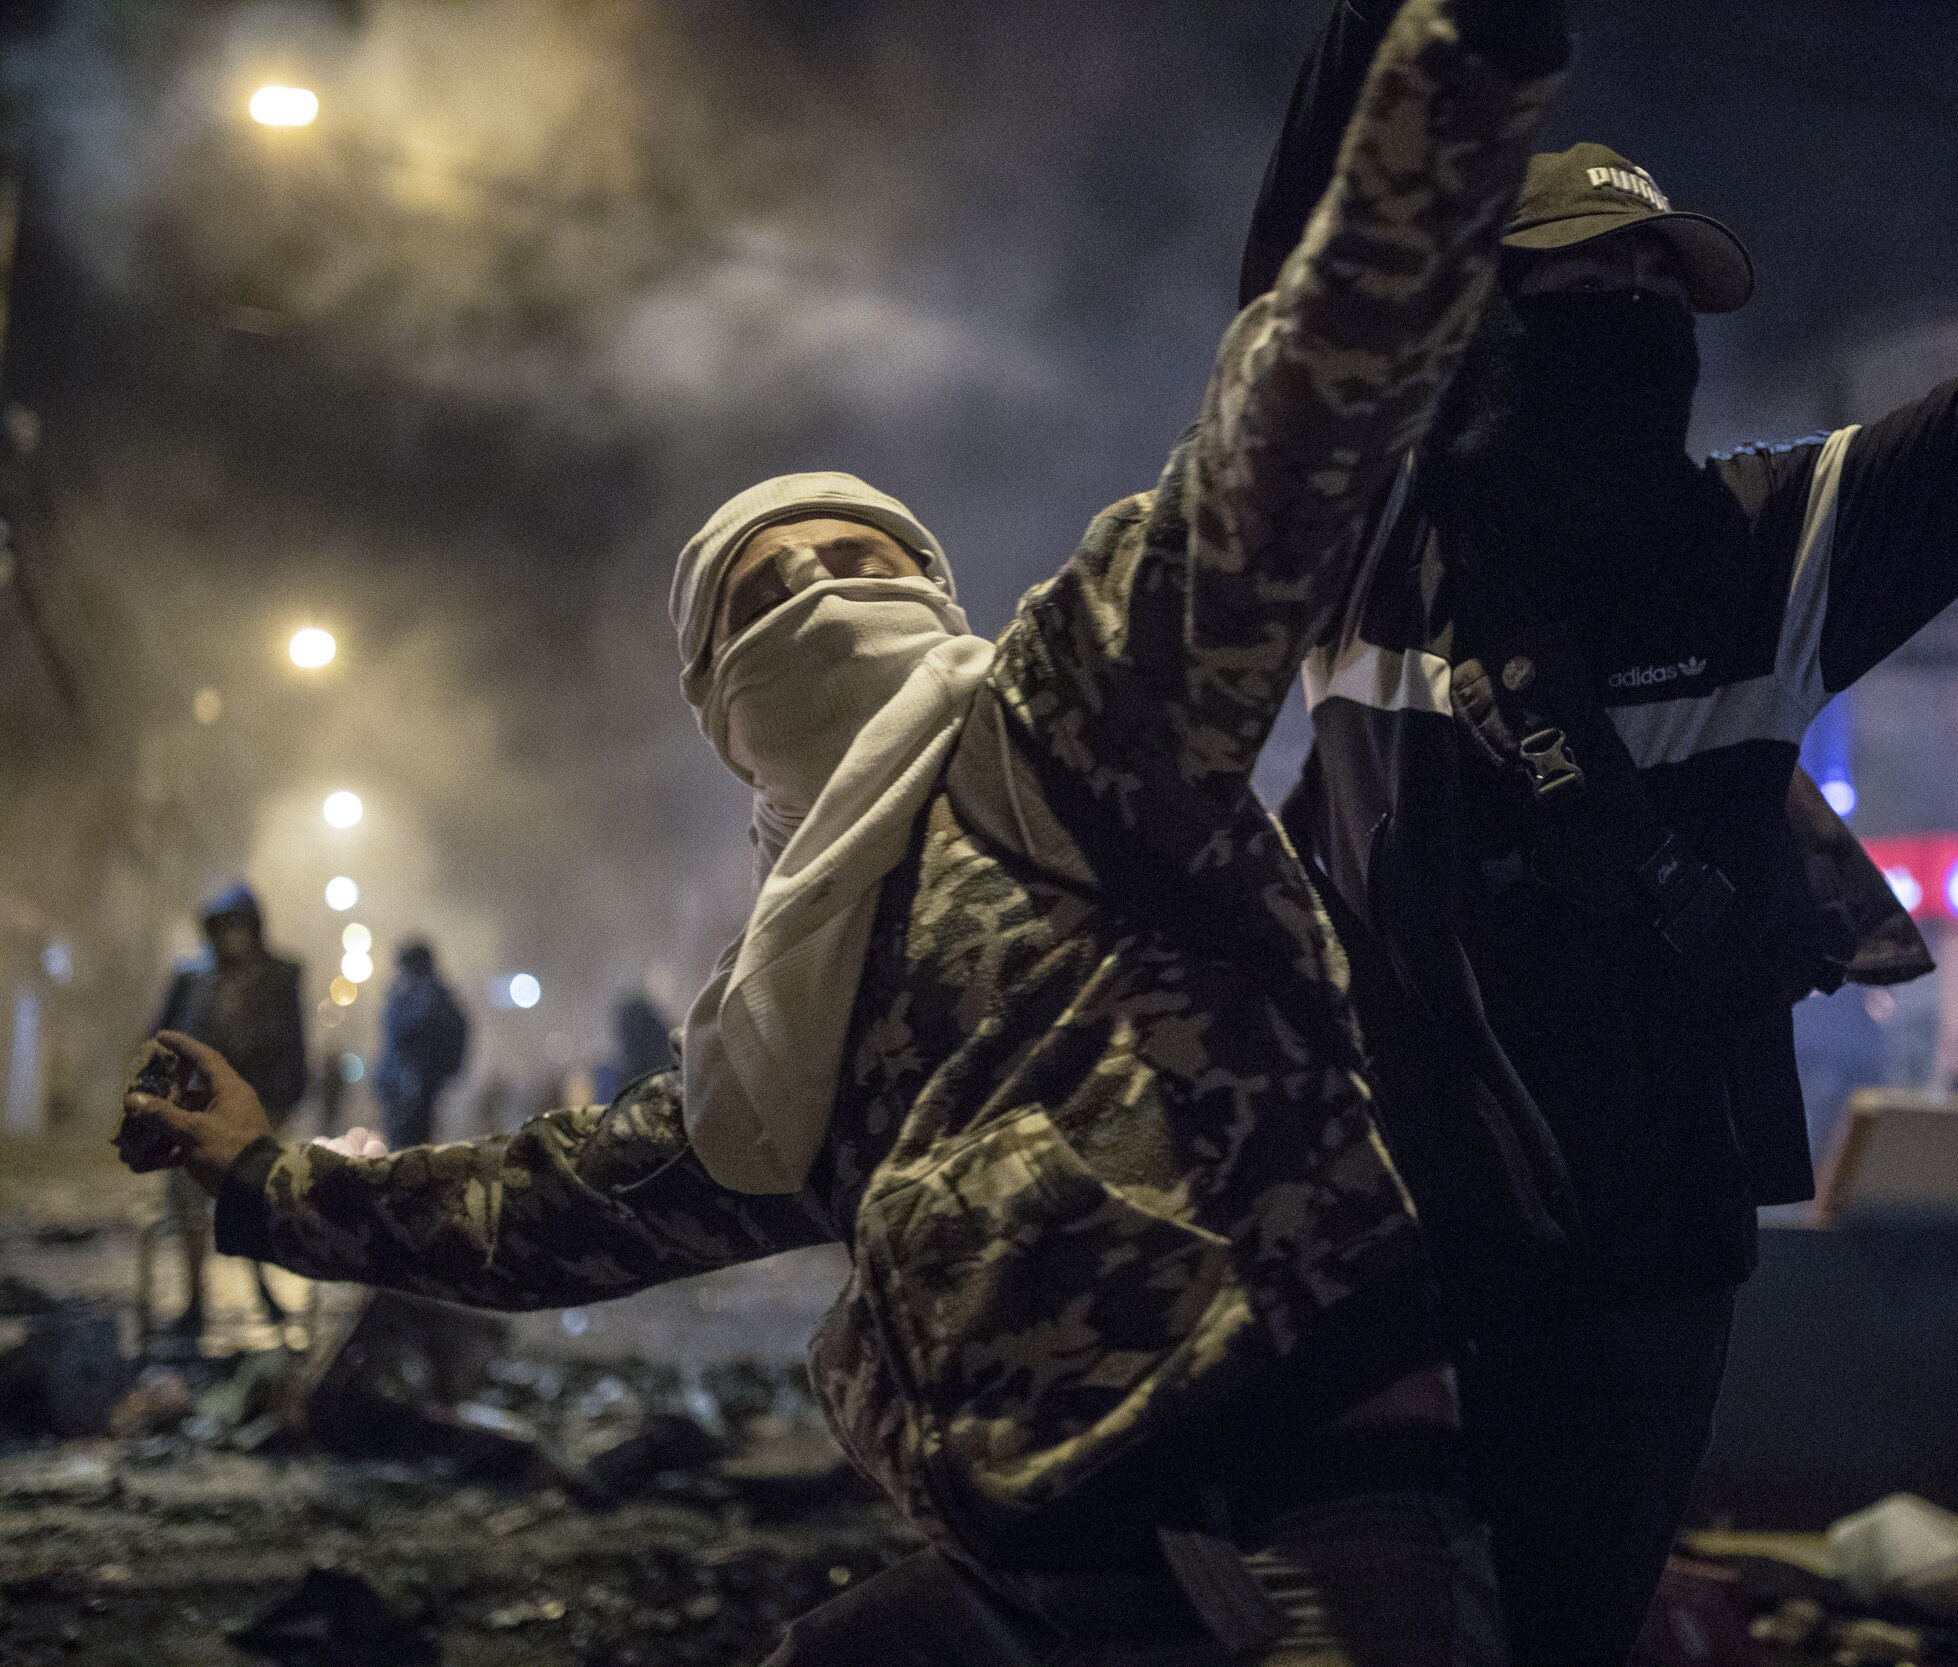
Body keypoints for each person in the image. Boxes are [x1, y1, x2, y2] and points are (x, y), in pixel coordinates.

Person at [123, 2, 1569, 1658]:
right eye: (758, 590)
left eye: (862, 558)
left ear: (939, 593)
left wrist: (1454, 76)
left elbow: (1291, 430)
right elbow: (547, 1206)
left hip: (1299, 1509)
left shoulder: (1068, 723)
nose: (817, 588)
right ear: (718, 705)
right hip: (1036, 1558)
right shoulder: (777, 1017)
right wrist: (261, 1178)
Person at [1243, 2, 1958, 1661]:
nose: (1637, 312)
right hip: (1373, 1262)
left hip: (1639, 1285)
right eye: (1588, 279)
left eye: (1664, 292)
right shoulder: (1363, 525)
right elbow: (1296, 294)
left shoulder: (1775, 544)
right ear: (1481, 311)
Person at [147, 882, 307, 1341]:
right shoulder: (191, 978)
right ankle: (194, 1301)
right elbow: (161, 1037)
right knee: (188, 1207)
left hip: (252, 1111)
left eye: (241, 927)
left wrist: (280, 1106)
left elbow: (294, 1048)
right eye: (225, 927)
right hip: (190, 1109)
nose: (233, 937)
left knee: (251, 1201)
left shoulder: (280, 977)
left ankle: (263, 1290)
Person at [374, 939, 469, 1149]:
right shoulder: (435, 995)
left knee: (406, 1150)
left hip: (410, 1085)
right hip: (412, 1085)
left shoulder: (421, 996)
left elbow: (404, 1038)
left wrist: (415, 1076)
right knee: (414, 1146)